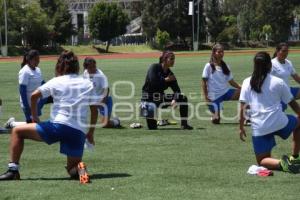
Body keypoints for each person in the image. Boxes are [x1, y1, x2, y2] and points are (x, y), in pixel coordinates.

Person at [0, 51, 99, 183]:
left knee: (17, 131)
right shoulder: (87, 83)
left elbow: (34, 96)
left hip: (57, 126)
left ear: (60, 66)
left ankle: (13, 171)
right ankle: (81, 170)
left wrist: (34, 118)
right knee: (72, 167)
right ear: (77, 67)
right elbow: (94, 109)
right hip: (78, 131)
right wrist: (90, 133)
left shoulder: (57, 81)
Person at [239, 51, 300, 173]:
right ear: (270, 65)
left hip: (260, 127)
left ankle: (282, 163)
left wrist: (241, 127)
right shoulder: (278, 82)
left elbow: (243, 107)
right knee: (299, 123)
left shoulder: (246, 82)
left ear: (254, 65)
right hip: (280, 122)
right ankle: (295, 157)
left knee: (262, 161)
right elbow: (293, 104)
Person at [141, 51, 193, 130]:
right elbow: (153, 82)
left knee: (183, 98)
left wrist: (175, 99)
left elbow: (177, 90)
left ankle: (184, 124)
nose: (173, 61)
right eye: (171, 59)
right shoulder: (154, 67)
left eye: (174, 59)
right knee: (152, 128)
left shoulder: (170, 74)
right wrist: (166, 80)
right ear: (164, 60)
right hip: (148, 100)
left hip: (160, 98)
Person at [202, 44, 241, 124]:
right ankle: (214, 115)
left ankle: (246, 117)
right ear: (213, 53)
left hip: (226, 92)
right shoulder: (208, 66)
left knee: (245, 94)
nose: (221, 54)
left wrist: (242, 87)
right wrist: (206, 97)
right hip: (214, 96)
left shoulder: (225, 66)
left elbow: (231, 82)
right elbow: (203, 82)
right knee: (216, 121)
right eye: (219, 52)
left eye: (222, 52)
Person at [83, 57, 120, 128]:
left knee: (105, 124)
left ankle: (116, 121)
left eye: (94, 66)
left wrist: (101, 103)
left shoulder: (101, 76)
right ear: (86, 68)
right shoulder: (85, 73)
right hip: (94, 100)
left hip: (105, 100)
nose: (93, 69)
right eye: (90, 67)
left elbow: (107, 90)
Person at [271, 42, 300, 110]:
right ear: (277, 51)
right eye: (283, 51)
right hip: (277, 94)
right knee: (280, 113)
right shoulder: (272, 64)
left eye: (287, 51)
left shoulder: (288, 63)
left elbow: (296, 77)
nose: (285, 53)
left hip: (288, 90)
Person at [18, 50, 45, 123]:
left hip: (37, 102)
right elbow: (22, 90)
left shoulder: (38, 70)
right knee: (31, 125)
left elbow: (43, 84)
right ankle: (11, 124)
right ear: (29, 60)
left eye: (39, 59)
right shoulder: (25, 71)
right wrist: (26, 106)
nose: (38, 61)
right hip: (28, 103)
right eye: (36, 59)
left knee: (33, 125)